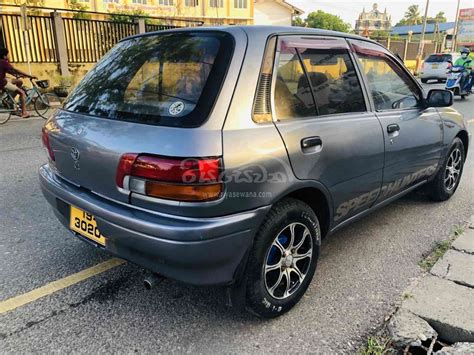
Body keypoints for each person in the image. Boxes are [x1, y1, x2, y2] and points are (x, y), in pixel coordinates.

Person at [0, 47, 37, 118]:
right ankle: (24, 112)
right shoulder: (4, 62)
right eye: (8, 55)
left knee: (19, 82)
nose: (9, 56)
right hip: (2, 83)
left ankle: (10, 100)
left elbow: (11, 71)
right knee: (22, 93)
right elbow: (16, 70)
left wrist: (19, 75)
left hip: (4, 79)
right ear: (4, 56)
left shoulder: (2, 62)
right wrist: (29, 76)